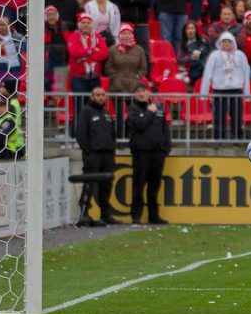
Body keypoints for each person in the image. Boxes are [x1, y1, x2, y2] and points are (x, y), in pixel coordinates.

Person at [127, 83, 171, 225]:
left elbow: (165, 130)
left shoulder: (158, 109)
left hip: (158, 154)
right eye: (138, 91)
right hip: (141, 153)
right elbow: (140, 125)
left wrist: (165, 148)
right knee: (138, 186)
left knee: (154, 186)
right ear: (135, 95)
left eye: (143, 91)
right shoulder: (133, 110)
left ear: (148, 93)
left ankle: (153, 216)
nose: (141, 94)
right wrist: (150, 113)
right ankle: (136, 217)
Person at [75, 87, 118, 226]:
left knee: (106, 185)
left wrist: (112, 148)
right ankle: (84, 213)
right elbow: (81, 133)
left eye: (103, 95)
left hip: (107, 155)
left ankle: (105, 214)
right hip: (93, 155)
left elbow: (112, 133)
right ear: (92, 97)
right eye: (98, 95)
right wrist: (88, 151)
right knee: (89, 184)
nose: (101, 97)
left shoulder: (106, 113)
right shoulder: (86, 112)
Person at [201, 31, 251, 140]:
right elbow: (207, 73)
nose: (227, 44)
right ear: (220, 43)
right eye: (224, 42)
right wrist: (203, 93)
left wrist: (247, 94)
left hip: (236, 90)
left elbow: (246, 73)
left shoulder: (240, 55)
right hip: (219, 90)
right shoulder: (214, 55)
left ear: (233, 42)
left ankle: (238, 138)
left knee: (237, 115)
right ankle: (218, 138)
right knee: (219, 115)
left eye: (229, 42)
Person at [67, 13, 109, 125]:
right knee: (80, 107)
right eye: (83, 22)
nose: (86, 25)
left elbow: (104, 53)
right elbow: (74, 52)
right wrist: (91, 50)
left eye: (88, 23)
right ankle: (76, 135)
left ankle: (94, 133)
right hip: (79, 78)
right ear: (79, 24)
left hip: (95, 78)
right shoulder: (74, 36)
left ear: (92, 24)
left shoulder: (98, 36)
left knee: (96, 106)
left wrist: (86, 58)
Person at [0, 17, 26, 93]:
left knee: (13, 94)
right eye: (2, 25)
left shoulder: (18, 37)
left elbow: (26, 47)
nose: (4, 27)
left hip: (15, 70)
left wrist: (14, 46)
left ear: (10, 26)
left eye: (6, 25)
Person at [178, 20, 212, 85]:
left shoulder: (204, 39)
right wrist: (190, 58)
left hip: (206, 66)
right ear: (185, 31)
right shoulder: (183, 44)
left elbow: (211, 51)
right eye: (188, 29)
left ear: (196, 30)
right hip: (194, 69)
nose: (190, 30)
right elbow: (180, 59)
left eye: (192, 28)